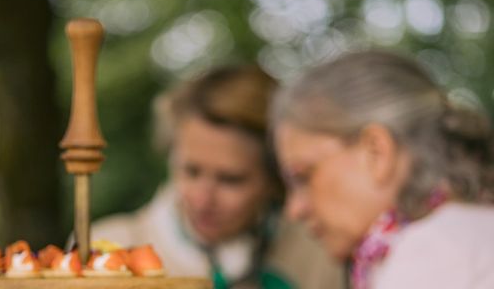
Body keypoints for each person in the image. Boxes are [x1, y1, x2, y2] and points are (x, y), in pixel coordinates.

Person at [91, 64, 343, 289]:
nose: (202, 200)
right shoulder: (109, 249)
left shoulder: (323, 254)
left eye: (230, 180)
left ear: (275, 177)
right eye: (191, 171)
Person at [271, 50, 494, 289]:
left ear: (376, 151)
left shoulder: (431, 255)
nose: (294, 210)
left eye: (303, 177)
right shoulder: (466, 234)